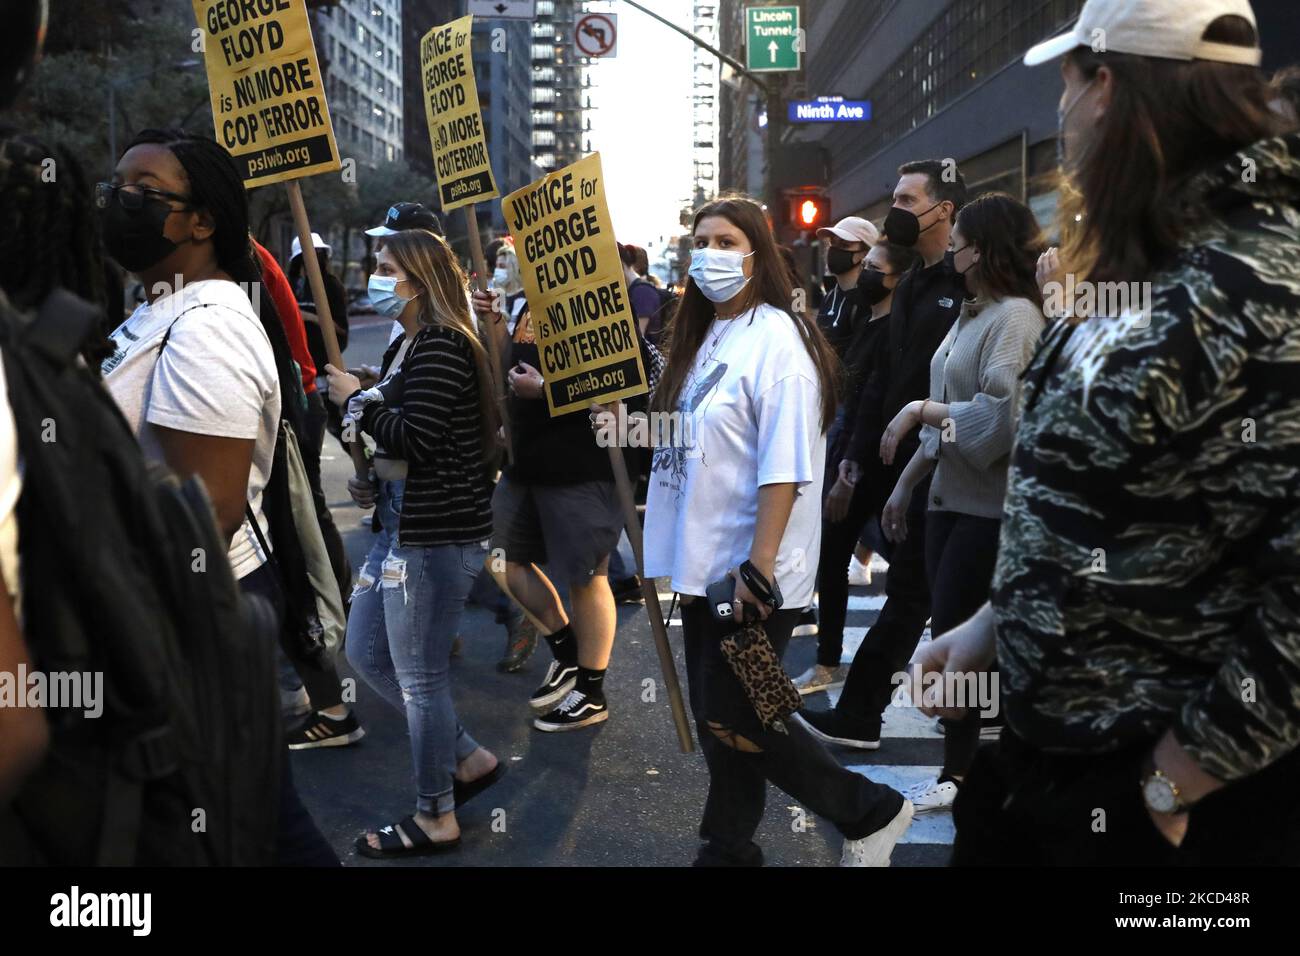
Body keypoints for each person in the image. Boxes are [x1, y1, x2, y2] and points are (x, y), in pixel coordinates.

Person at [915, 0, 1300, 865]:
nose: (1058, 110)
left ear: (1108, 87)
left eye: (1065, 81)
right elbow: (1103, 506)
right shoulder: (1150, 257)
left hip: (1183, 810)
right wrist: (990, 624)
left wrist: (1172, 783)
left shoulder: (1264, 282)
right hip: (1053, 772)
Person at [643, 196, 914, 867]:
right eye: (701, 239)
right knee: (743, 714)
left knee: (733, 714)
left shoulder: (778, 344)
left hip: (751, 574)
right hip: (706, 564)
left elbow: (785, 471)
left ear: (759, 254)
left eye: (728, 241)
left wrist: (756, 569)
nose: (711, 253)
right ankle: (728, 847)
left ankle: (870, 809)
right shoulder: (710, 332)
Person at [97, 128, 339, 865]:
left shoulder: (207, 329)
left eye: (145, 194)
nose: (120, 203)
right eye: (116, 188)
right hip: (168, 618)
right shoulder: (158, 310)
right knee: (248, 817)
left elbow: (202, 517)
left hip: (187, 619)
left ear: (203, 221)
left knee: (240, 822)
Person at [325, 227, 504, 859]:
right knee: (366, 651)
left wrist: (359, 402)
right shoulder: (410, 344)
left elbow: (419, 438)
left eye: (384, 266)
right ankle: (468, 758)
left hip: (433, 537)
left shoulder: (441, 343)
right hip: (400, 529)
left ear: (418, 279)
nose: (375, 275)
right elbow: (405, 431)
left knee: (421, 680)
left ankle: (435, 815)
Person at [875, 193, 1045, 812]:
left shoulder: (1017, 318)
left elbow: (1002, 419)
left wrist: (922, 411)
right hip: (950, 503)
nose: (953, 249)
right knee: (953, 634)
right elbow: (945, 416)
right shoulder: (974, 313)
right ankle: (967, 769)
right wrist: (907, 483)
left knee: (961, 643)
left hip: (989, 511)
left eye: (962, 240)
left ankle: (962, 773)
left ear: (985, 248)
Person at [799, 159, 968, 750]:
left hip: (950, 462)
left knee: (921, 595)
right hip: (892, 456)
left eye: (905, 197)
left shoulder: (967, 283)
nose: (894, 207)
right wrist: (855, 457)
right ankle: (866, 716)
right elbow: (882, 378)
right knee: (913, 591)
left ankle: (882, 722)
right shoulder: (916, 283)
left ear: (943, 209)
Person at [470, 281, 655, 733]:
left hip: (584, 464)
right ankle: (568, 649)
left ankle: (591, 691)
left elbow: (617, 389)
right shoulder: (531, 303)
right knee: (499, 557)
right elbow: (511, 366)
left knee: (586, 576)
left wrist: (548, 389)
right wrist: (494, 324)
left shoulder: (604, 305)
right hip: (530, 459)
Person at [796, 240, 917, 695]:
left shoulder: (896, 332)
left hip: (878, 461)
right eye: (863, 264)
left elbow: (874, 404)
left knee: (906, 568)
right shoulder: (866, 320)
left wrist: (851, 466)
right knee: (836, 554)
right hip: (852, 455)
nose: (863, 273)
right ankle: (829, 660)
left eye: (873, 267)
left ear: (896, 278)